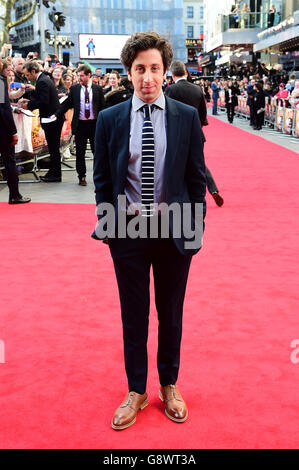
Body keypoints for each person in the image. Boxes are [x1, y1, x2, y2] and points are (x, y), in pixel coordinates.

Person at [92, 32, 206, 430]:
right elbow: (103, 178)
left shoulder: (185, 117)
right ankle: (136, 389)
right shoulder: (110, 119)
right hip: (128, 234)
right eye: (139, 69)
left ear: (164, 72)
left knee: (170, 313)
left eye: (154, 69)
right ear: (128, 72)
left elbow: (196, 178)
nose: (148, 78)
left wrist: (196, 228)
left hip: (175, 232)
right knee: (133, 316)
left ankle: (169, 385)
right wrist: (108, 225)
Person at [165, 60, 224, 207]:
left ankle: (179, 195)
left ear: (172, 75)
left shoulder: (171, 90)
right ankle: (212, 190)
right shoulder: (197, 89)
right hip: (196, 133)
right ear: (186, 72)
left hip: (176, 134)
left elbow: (166, 114)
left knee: (176, 164)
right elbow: (203, 115)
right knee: (199, 164)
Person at [54, 65, 105, 186]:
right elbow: (67, 104)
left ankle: (99, 176)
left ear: (88, 75)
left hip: (94, 124)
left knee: (97, 152)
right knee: (80, 153)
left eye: (82, 75)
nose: (79, 78)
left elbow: (103, 106)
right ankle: (81, 176)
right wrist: (56, 114)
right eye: (78, 75)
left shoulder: (97, 89)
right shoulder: (75, 89)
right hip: (80, 125)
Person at [21, 61, 64, 182]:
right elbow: (42, 96)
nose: (27, 77)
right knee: (53, 148)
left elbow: (44, 101)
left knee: (53, 148)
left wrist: (28, 105)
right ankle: (53, 172)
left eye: (28, 75)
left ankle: (56, 175)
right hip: (52, 119)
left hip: (52, 120)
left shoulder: (42, 81)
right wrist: (32, 92)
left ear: (33, 71)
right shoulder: (43, 80)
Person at [0, 59, 30, 204]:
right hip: (3, 130)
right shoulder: (0, 82)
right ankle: (15, 195)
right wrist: (13, 132)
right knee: (10, 162)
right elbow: (4, 108)